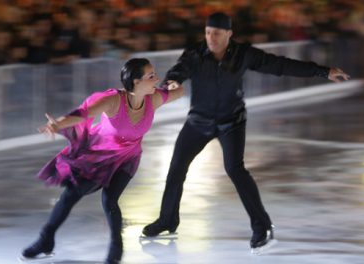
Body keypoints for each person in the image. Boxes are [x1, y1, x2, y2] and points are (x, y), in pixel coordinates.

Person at [142, 12, 350, 254]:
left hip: (231, 122)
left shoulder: (244, 54)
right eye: (208, 32)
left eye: (217, 33)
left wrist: (323, 71)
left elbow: (280, 65)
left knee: (235, 169)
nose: (211, 37)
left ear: (229, 34)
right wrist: (172, 82)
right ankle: (168, 219)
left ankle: (262, 226)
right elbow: (178, 70)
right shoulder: (195, 53)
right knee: (176, 168)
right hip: (199, 122)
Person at [21, 58, 184, 264]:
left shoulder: (154, 99)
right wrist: (58, 124)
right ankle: (46, 239)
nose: (157, 79)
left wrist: (175, 84)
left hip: (128, 158)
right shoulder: (113, 100)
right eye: (151, 76)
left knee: (110, 199)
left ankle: (116, 248)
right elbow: (83, 114)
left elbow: (178, 92)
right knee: (71, 194)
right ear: (135, 81)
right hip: (99, 156)